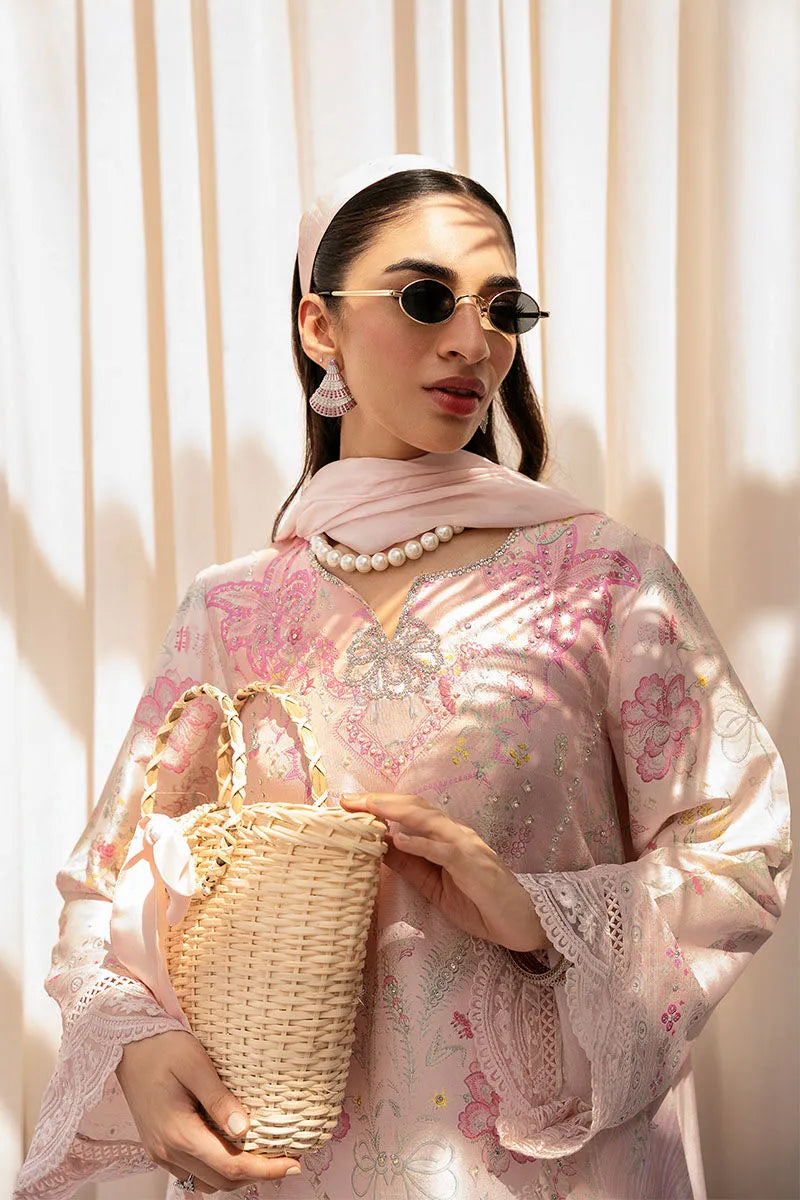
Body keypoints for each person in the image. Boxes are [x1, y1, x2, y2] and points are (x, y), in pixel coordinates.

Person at [15, 153, 792, 1200]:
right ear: (319, 327)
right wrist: (139, 1045)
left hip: (548, 1170)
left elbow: (740, 847)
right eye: (427, 297)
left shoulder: (604, 581)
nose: (474, 341)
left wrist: (537, 913)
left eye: (502, 308)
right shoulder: (231, 609)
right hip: (289, 1165)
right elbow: (109, 882)